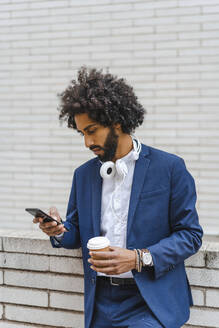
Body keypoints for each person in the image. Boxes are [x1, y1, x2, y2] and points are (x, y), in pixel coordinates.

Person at [34, 67, 203, 328]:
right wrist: (57, 230)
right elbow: (76, 234)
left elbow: (190, 235)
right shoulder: (83, 175)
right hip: (100, 301)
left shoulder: (170, 168)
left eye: (92, 131)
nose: (87, 143)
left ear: (117, 122)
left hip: (151, 302)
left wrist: (138, 258)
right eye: (82, 134)